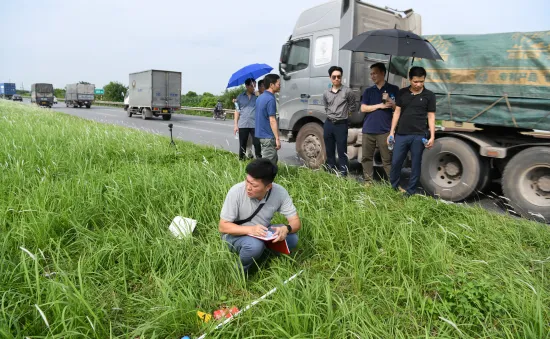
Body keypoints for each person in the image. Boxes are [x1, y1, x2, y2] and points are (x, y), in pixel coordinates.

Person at [219, 159, 301, 274]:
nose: (248, 187)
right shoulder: (236, 192)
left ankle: (268, 258)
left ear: (268, 187)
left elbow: (296, 222)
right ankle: (239, 271)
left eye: (254, 185)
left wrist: (286, 229)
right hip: (236, 235)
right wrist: (251, 230)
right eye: (247, 181)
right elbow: (223, 227)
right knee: (254, 246)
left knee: (292, 239)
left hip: (262, 233)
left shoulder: (279, 193)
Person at [387, 66, 436, 196]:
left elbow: (431, 116)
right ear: (410, 79)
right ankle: (393, 187)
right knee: (396, 161)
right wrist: (392, 132)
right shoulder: (402, 93)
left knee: (415, 164)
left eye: (421, 81)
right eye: (415, 81)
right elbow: (397, 112)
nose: (418, 84)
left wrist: (432, 136)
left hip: (419, 135)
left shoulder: (429, 95)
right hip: (402, 134)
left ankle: (411, 191)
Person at [360, 63, 399, 185]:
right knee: (366, 158)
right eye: (371, 74)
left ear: (383, 73)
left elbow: (398, 108)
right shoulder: (368, 91)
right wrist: (380, 106)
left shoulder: (393, 89)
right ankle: (368, 182)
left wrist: (391, 102)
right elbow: (363, 108)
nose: (372, 76)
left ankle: (393, 184)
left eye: (375, 73)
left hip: (385, 130)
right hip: (368, 129)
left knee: (387, 159)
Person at [322, 66, 357, 176]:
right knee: (329, 150)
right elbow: (326, 106)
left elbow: (352, 106)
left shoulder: (348, 91)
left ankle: (343, 174)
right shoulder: (326, 93)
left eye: (339, 77)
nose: (337, 79)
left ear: (341, 77)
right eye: (334, 77)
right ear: (330, 78)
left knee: (342, 151)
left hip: (341, 125)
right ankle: (330, 171)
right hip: (328, 123)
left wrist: (345, 115)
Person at [255, 74, 281, 165]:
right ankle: (262, 179)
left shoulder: (260, 97)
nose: (280, 85)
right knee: (268, 165)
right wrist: (277, 138)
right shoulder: (270, 99)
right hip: (268, 136)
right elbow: (272, 120)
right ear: (271, 85)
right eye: (278, 83)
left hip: (260, 135)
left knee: (271, 160)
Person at [234, 78, 261, 160]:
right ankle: (241, 161)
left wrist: (259, 97)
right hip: (243, 124)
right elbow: (237, 111)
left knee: (257, 144)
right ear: (246, 86)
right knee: (242, 144)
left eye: (255, 86)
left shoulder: (257, 97)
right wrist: (235, 125)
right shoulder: (239, 97)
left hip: (254, 124)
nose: (254, 88)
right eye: (252, 86)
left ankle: (259, 161)